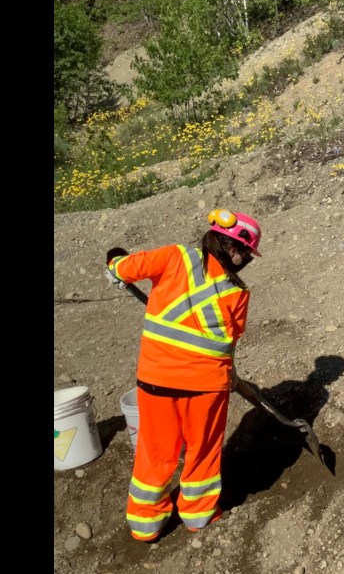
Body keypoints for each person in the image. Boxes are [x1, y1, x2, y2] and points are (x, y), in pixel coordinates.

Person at [104, 209, 262, 542]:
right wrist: (230, 375)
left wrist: (114, 263)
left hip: (156, 381)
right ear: (234, 249)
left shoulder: (174, 256)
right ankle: (198, 516)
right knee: (203, 451)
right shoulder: (238, 293)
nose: (246, 259)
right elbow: (229, 343)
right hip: (207, 387)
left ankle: (145, 525)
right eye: (246, 253)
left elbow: (124, 269)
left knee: (155, 451)